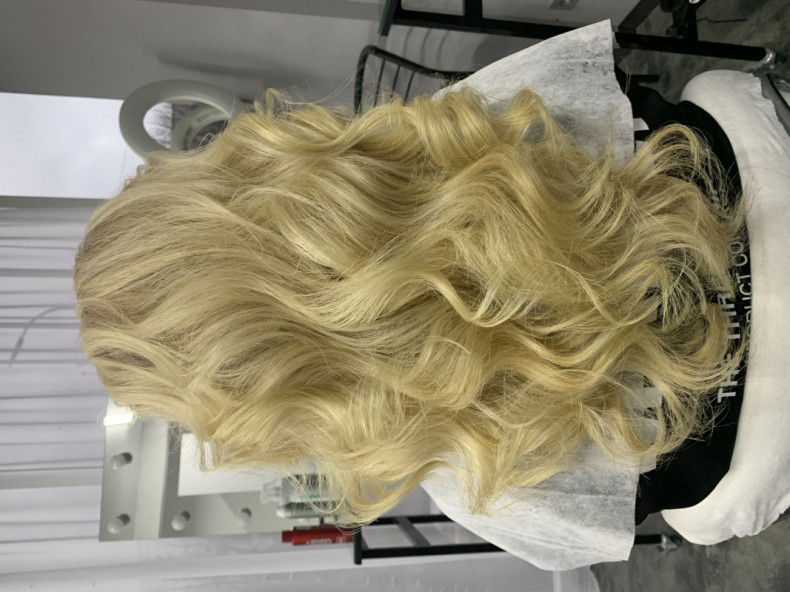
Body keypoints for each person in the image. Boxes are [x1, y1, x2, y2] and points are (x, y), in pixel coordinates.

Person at [75, 23, 778, 569]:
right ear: (240, 178)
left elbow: (637, 506)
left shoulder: (493, 486)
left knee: (702, 516)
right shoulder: (479, 119)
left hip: (767, 437)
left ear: (250, 400)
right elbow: (625, 95)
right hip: (762, 164)